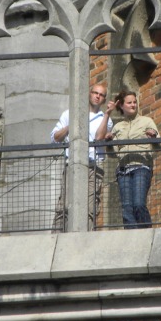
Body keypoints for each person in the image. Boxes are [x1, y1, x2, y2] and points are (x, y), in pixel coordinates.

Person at [51, 84, 114, 230]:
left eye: (102, 95)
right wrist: (71, 125)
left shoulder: (106, 119)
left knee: (90, 207)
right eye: (95, 93)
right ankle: (57, 235)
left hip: (95, 167)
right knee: (64, 205)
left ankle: (86, 236)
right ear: (89, 94)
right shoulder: (69, 114)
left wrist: (107, 115)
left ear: (104, 99)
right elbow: (55, 138)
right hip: (72, 165)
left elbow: (99, 137)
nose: (98, 96)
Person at [107, 90, 159, 229]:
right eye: (129, 102)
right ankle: (132, 236)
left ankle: (146, 232)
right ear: (122, 106)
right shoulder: (117, 127)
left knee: (138, 204)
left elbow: (158, 145)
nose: (133, 105)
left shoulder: (147, 121)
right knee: (126, 208)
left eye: (135, 102)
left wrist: (153, 137)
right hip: (123, 170)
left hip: (141, 166)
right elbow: (112, 154)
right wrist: (109, 142)